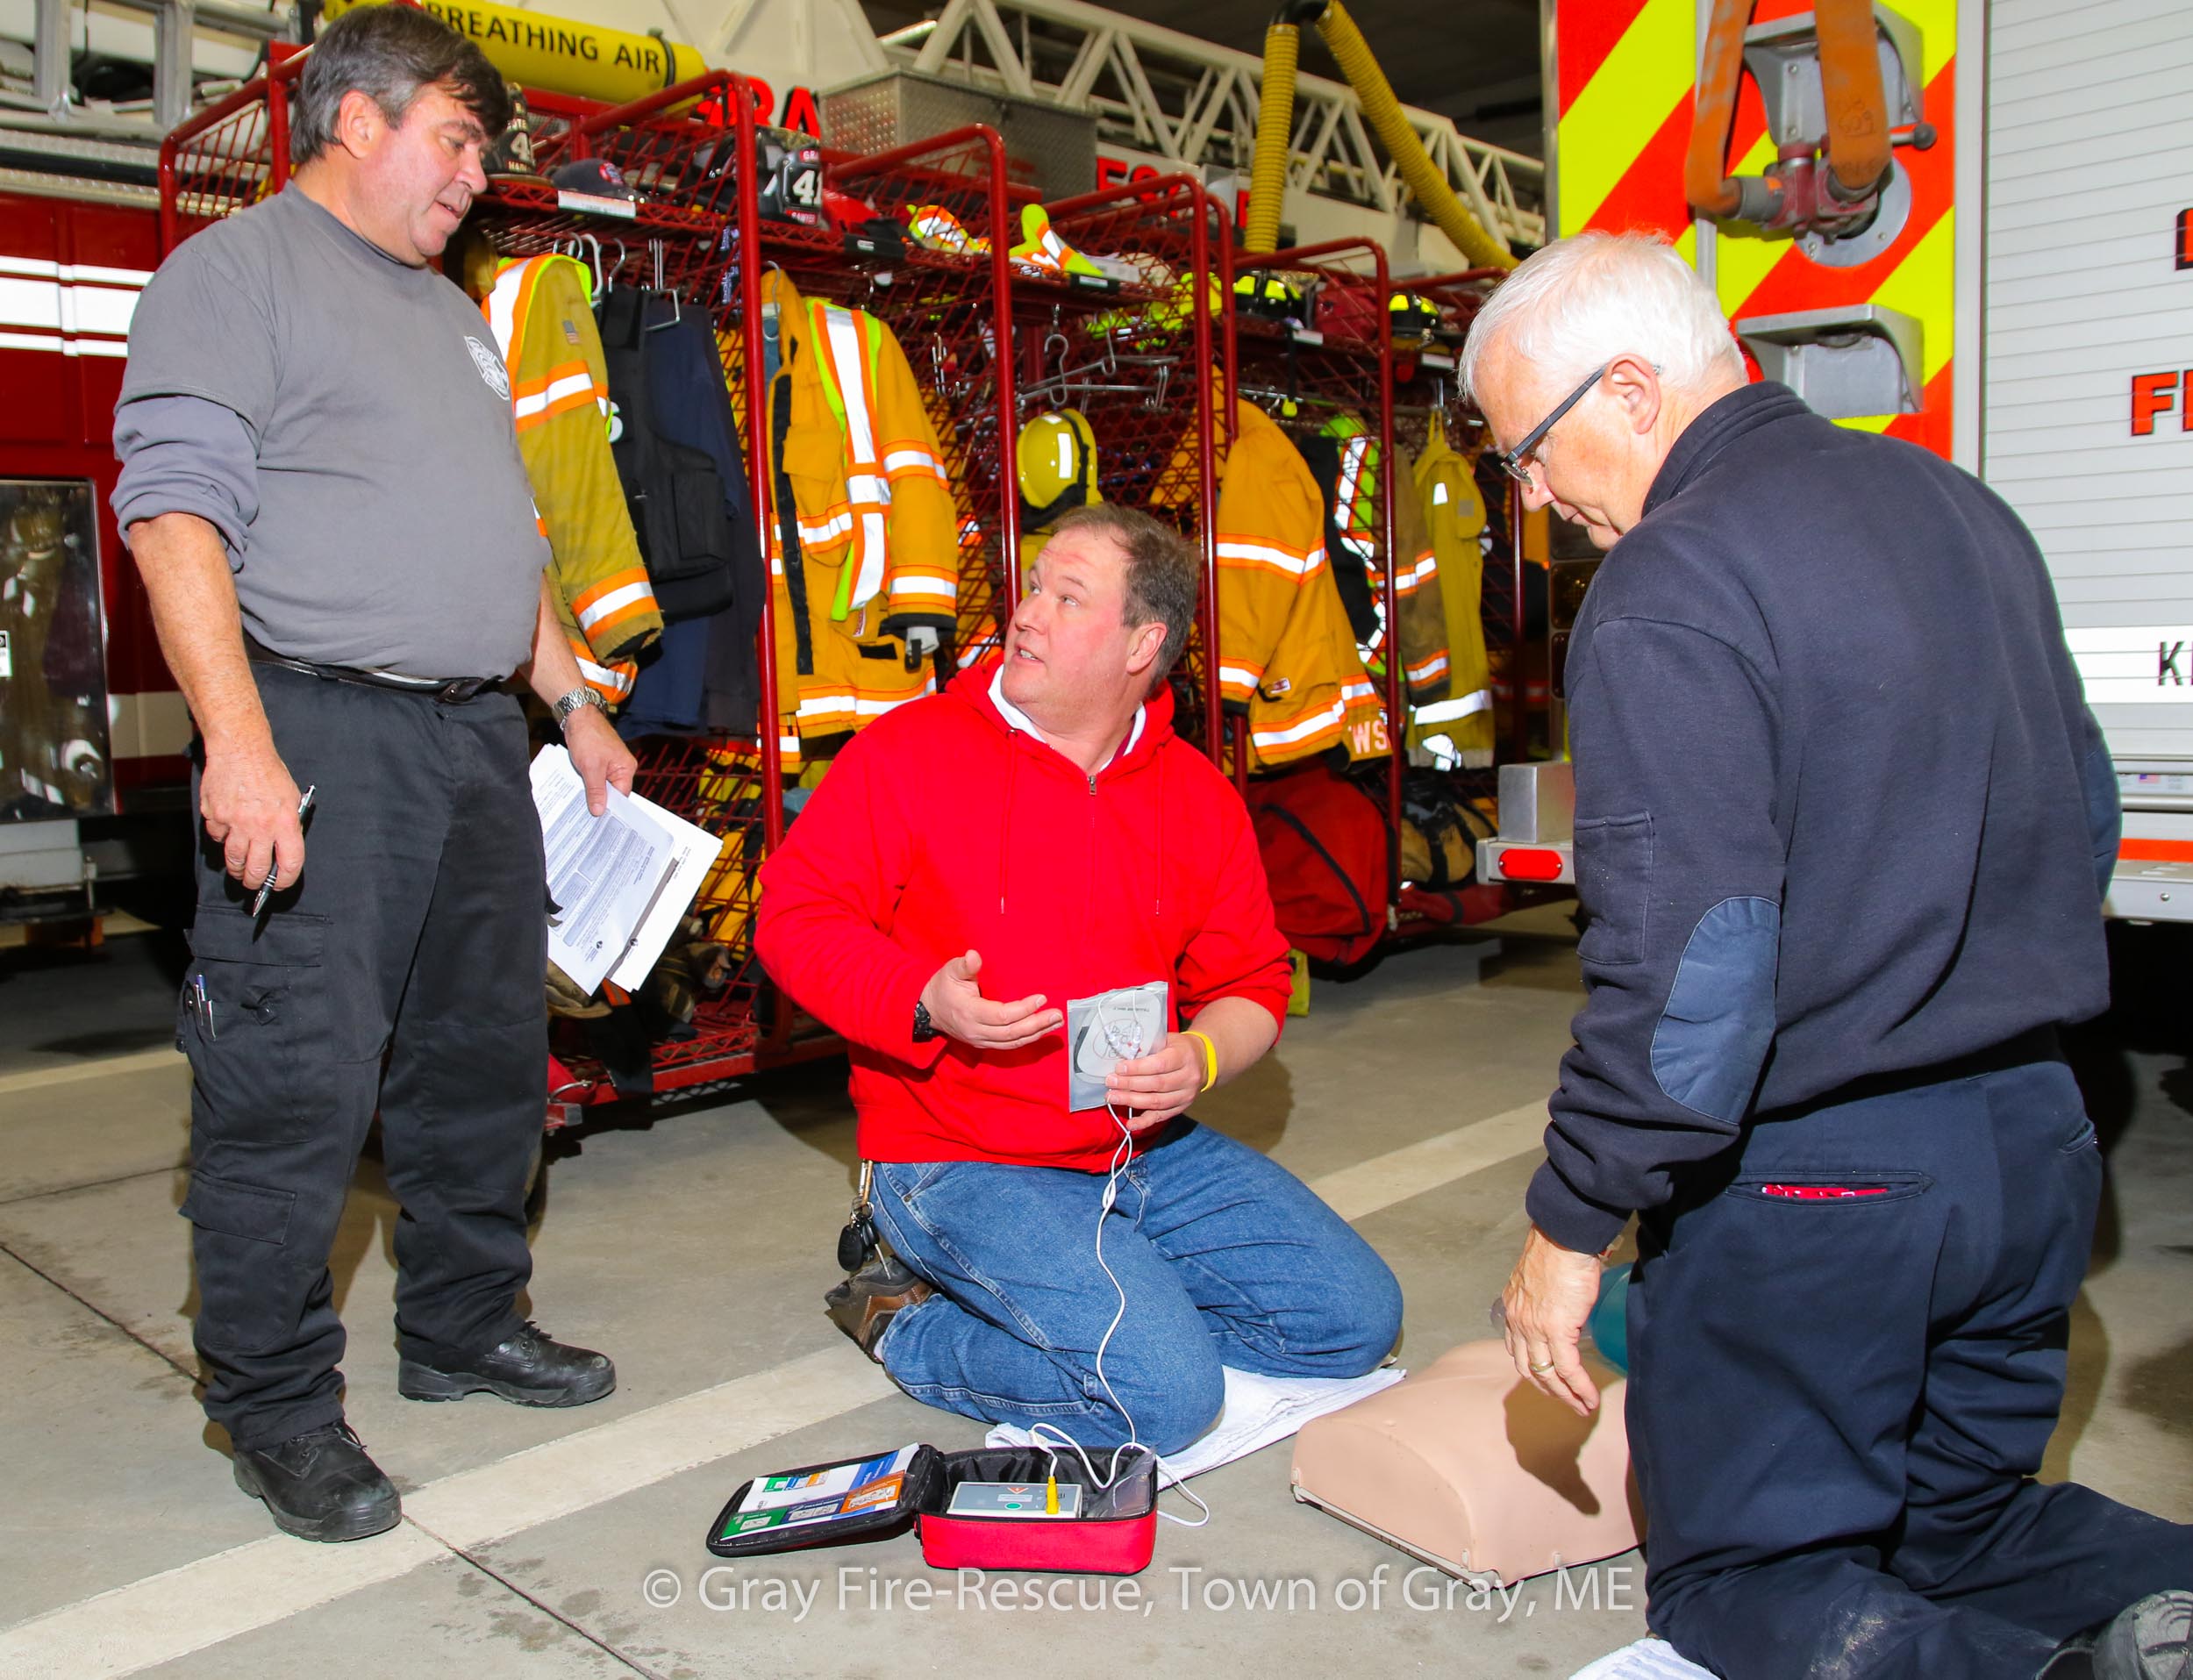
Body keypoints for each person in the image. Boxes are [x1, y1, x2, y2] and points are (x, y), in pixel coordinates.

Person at [1467, 232, 2193, 1680]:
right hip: (2035, 1141)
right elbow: (2086, 809)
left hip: (1823, 1184)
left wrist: (1570, 1223)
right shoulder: (1958, 506)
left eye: (1528, 453)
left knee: (1744, 1579)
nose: (1534, 499)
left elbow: (1698, 972)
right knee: (1967, 1529)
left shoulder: (1670, 577)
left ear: (1631, 389)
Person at [112, 5, 635, 1544]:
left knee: (482, 1061)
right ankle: (273, 1400)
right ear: (359, 120)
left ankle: (463, 1321)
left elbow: (497, 533)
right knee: (295, 1079)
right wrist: (242, 746)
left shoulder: (455, 314)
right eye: (459, 140)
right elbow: (174, 519)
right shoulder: (235, 276)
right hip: (318, 725)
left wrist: (570, 704)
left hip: (475, 736)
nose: (479, 175)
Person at [754, 504, 1402, 1455]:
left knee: (1353, 1323)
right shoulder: (908, 752)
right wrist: (923, 997)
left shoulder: (1196, 794)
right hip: (957, 1158)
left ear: (1142, 644)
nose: (1025, 614)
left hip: (1137, 1145)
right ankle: (907, 1321)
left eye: (1068, 597)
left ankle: (1121, 1321)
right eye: (1032, 588)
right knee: (1165, 1400)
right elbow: (792, 917)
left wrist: (1200, 1056)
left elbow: (1255, 981)